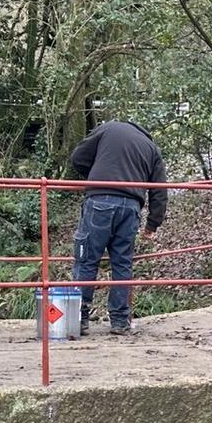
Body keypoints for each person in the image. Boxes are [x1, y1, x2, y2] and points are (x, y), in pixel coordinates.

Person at [69, 120, 167, 335]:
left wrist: (96, 174)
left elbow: (77, 158)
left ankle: (79, 319)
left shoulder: (108, 128)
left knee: (87, 259)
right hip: (131, 206)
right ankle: (120, 321)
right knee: (122, 264)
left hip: (100, 200)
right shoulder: (151, 147)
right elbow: (160, 190)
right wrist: (153, 223)